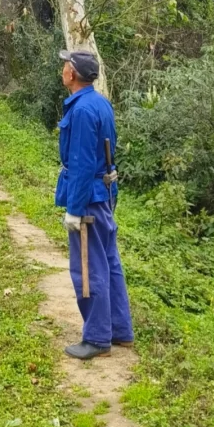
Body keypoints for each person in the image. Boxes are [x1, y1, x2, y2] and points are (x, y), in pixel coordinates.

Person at [55, 48, 134, 359]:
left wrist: (74, 210)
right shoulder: (100, 102)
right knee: (109, 262)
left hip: (89, 199)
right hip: (105, 195)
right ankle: (120, 330)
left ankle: (98, 338)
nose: (62, 69)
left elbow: (82, 163)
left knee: (89, 267)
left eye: (65, 65)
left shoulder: (82, 111)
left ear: (73, 73)